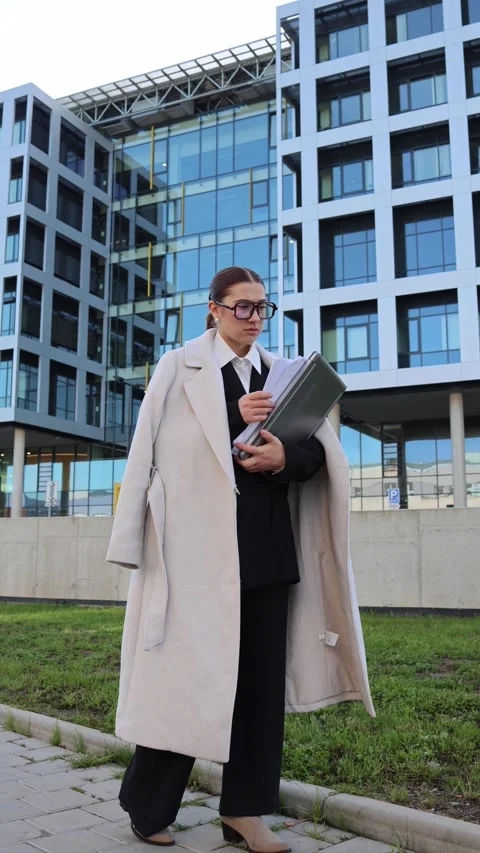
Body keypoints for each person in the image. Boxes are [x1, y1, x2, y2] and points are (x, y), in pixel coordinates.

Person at [106, 266, 375, 848]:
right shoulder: (178, 368)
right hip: (195, 559)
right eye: (242, 307)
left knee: (256, 691)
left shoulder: (284, 374)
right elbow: (148, 449)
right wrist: (128, 543)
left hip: (265, 553)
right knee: (186, 681)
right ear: (214, 309)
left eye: (262, 308)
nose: (254, 318)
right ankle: (148, 806)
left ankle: (244, 812)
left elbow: (315, 457)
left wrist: (282, 457)